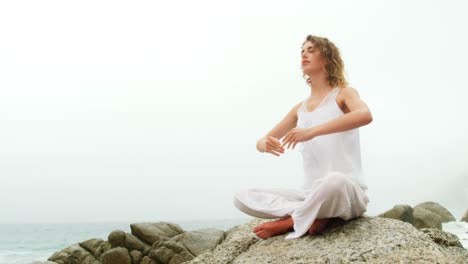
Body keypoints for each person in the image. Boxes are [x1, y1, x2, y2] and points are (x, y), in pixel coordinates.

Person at [232, 35, 373, 240]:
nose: (304, 54)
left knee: (334, 181)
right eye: (302, 51)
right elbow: (261, 141)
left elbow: (365, 115)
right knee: (241, 197)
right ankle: (316, 215)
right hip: (309, 194)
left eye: (311, 50)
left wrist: (312, 131)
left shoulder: (344, 93)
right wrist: (265, 144)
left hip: (345, 191)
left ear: (327, 58)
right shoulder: (300, 109)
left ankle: (291, 221)